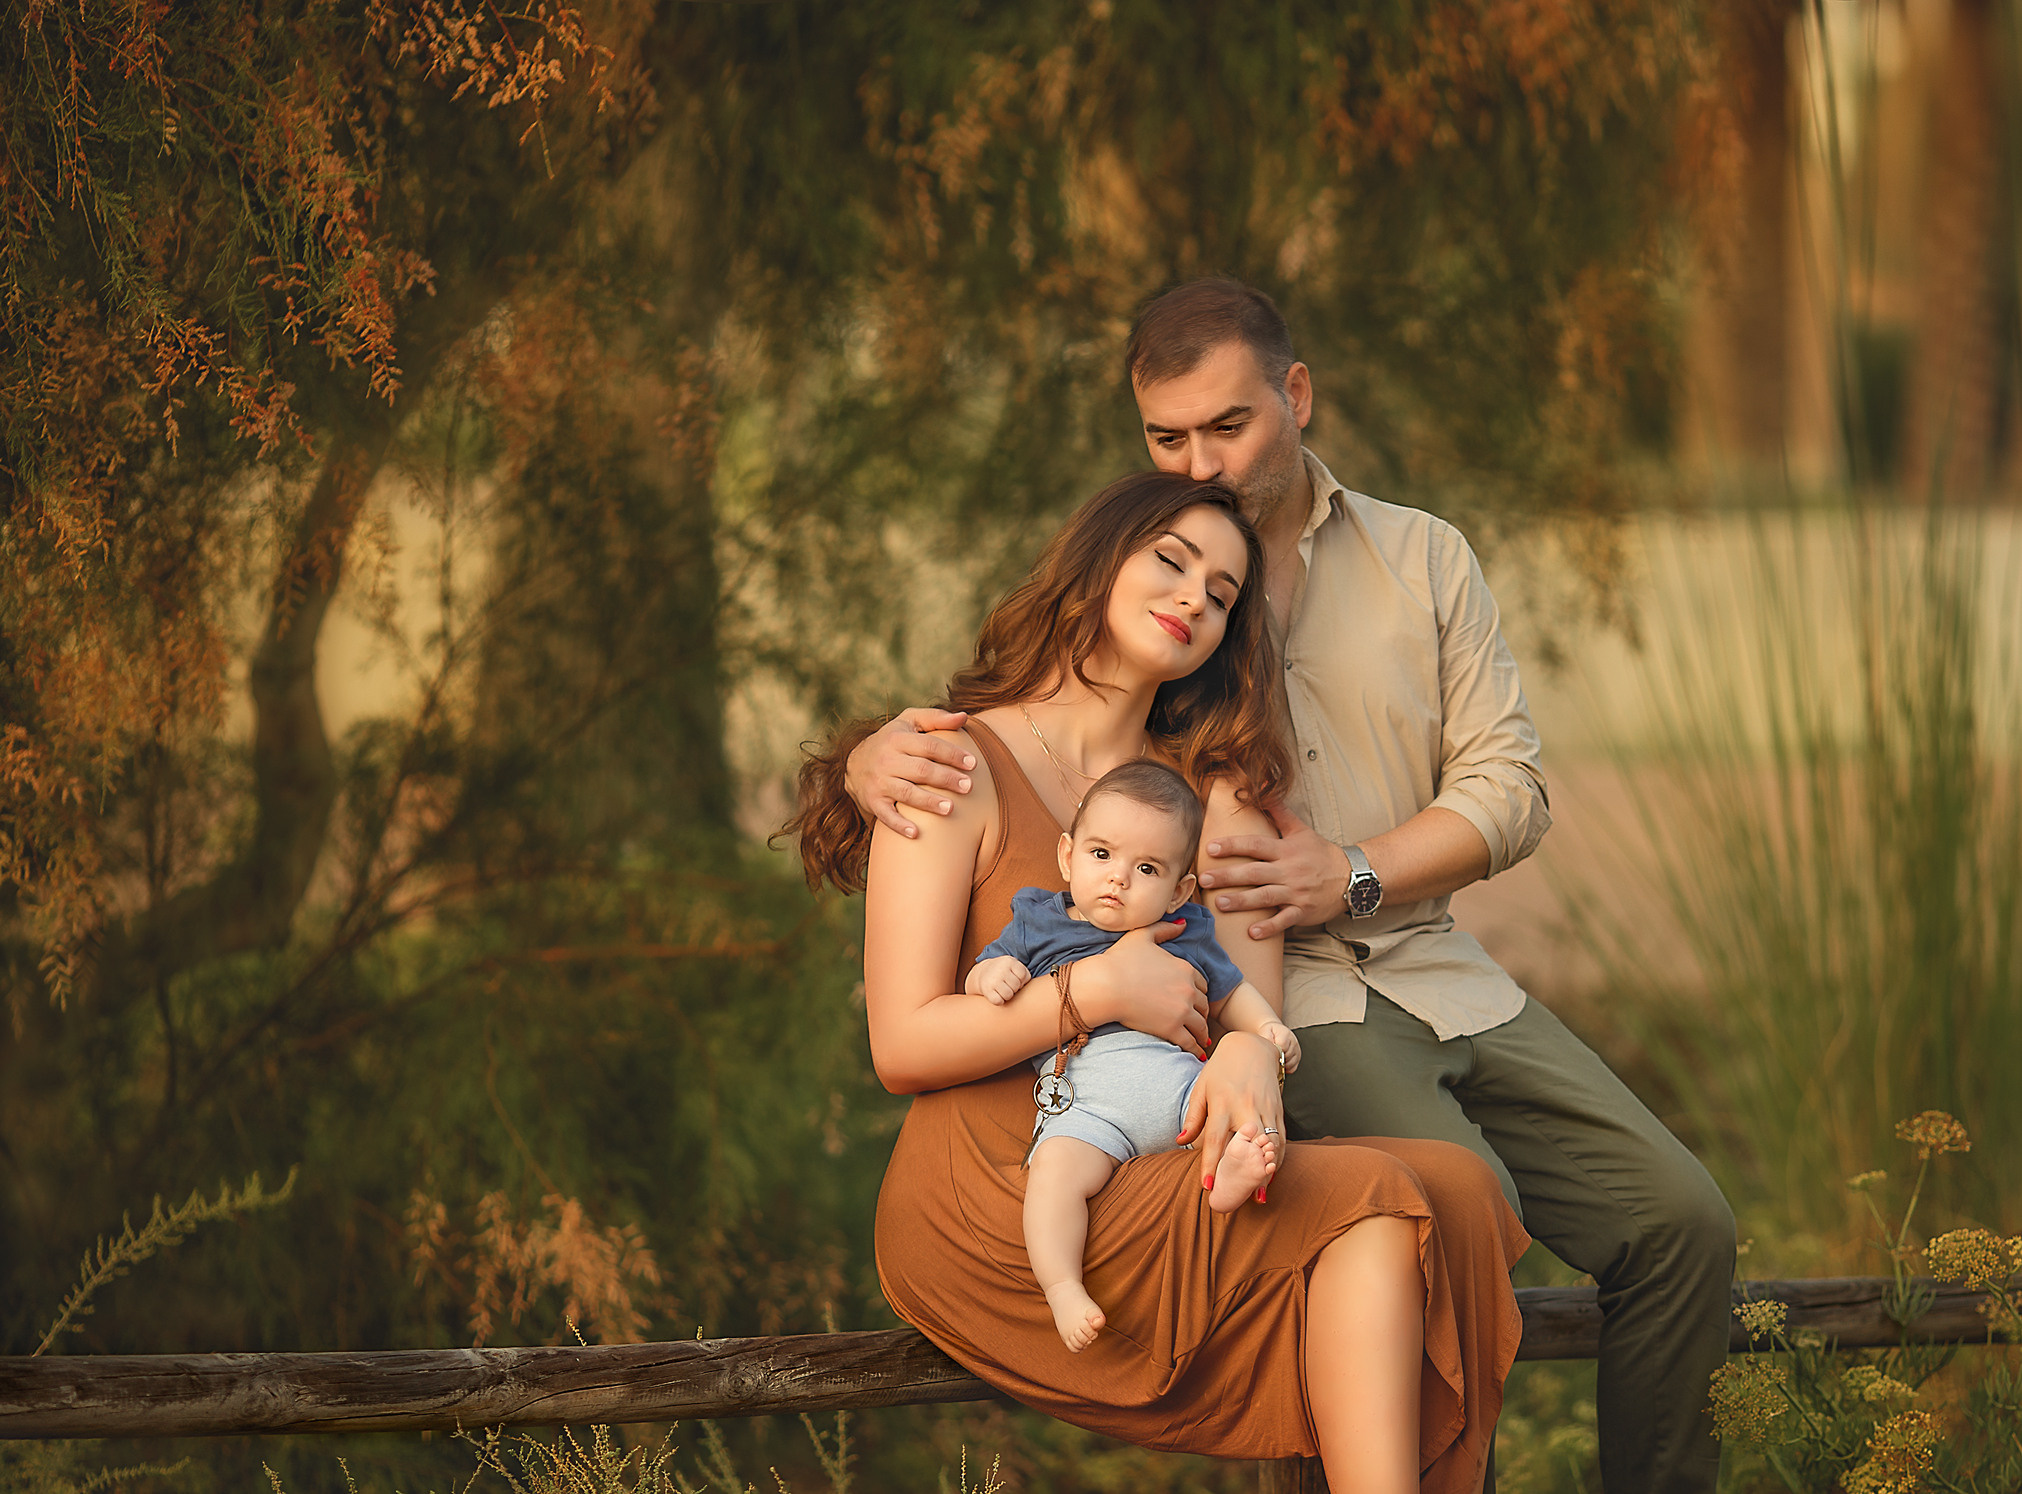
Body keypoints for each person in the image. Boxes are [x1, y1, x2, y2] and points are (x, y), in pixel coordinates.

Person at [843, 279, 1737, 1494]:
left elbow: (1507, 788)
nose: (1201, 470)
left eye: (1229, 429)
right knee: (1420, 1211)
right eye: (1169, 444)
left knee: (1671, 1220)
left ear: (1296, 396)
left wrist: (1328, 908)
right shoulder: (1012, 750)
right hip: (1145, 1091)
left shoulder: (1380, 592)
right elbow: (935, 959)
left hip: (1414, 968)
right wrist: (867, 765)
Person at [792, 470, 1528, 1492]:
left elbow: (1245, 1005)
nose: (1196, 598)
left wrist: (1240, 1050)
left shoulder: (1210, 793)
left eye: (1224, 594)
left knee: (1459, 1190)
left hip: (1156, 1151)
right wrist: (1093, 995)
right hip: (1009, 1193)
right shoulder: (949, 765)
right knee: (1376, 1199)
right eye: (1172, 563)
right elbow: (901, 1046)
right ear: (1098, 562)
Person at [969, 759, 1304, 1351]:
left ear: (1178, 888)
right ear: (1068, 856)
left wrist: (1268, 1028)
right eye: (1102, 855)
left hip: (1178, 1087)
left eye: (1145, 867)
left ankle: (1229, 1176)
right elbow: (986, 972)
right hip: (1087, 1104)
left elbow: (1230, 992)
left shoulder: (1187, 930)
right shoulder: (1038, 922)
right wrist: (992, 974)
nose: (1117, 878)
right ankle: (1063, 1285)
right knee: (1053, 1178)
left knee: (1231, 1106)